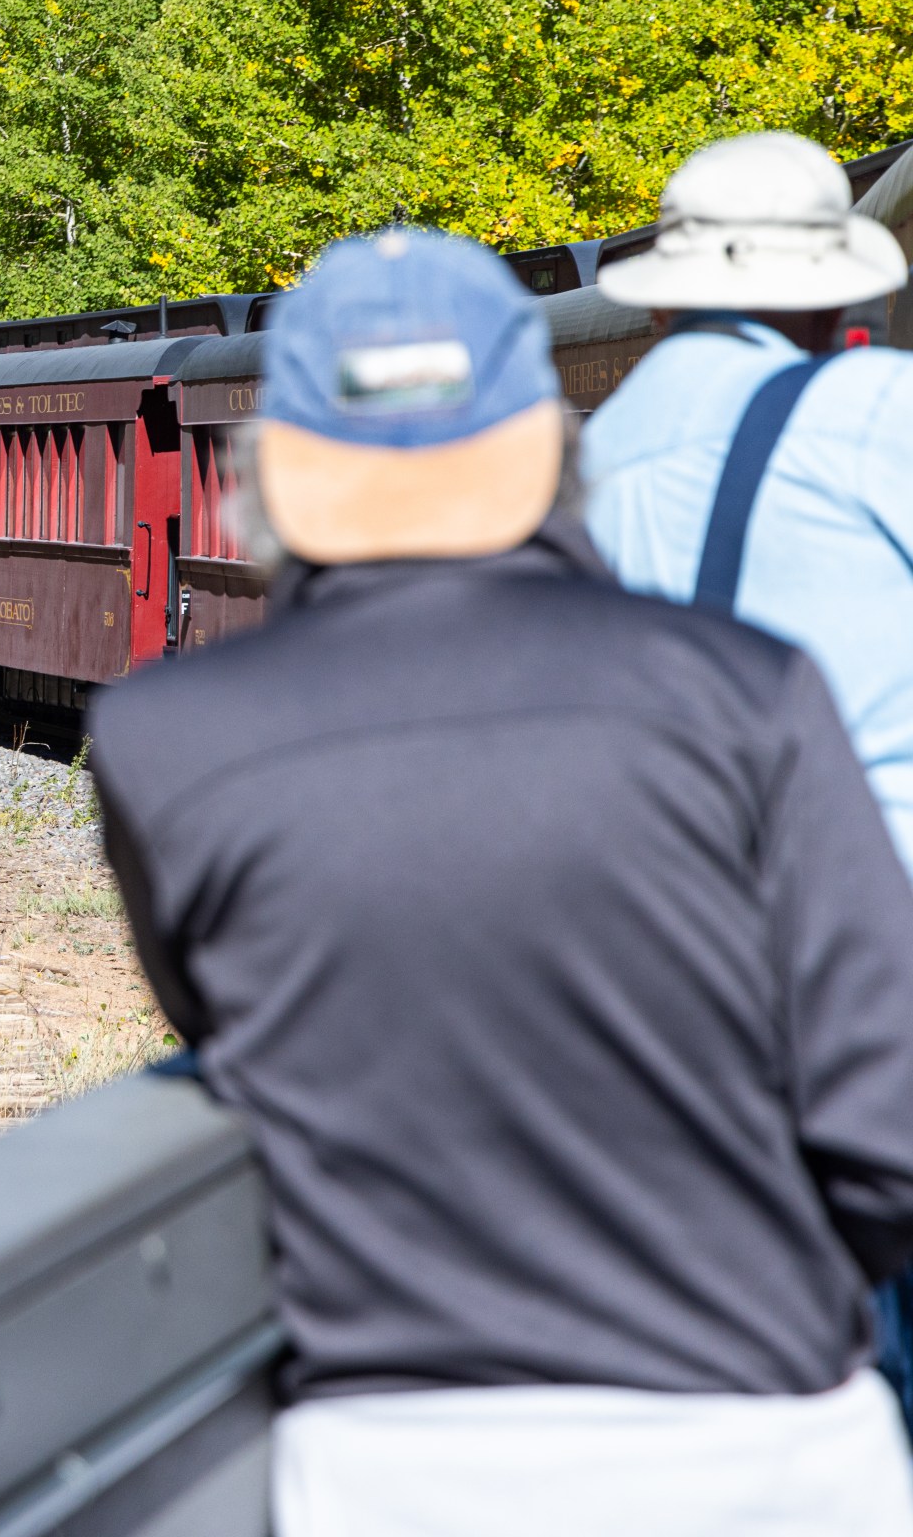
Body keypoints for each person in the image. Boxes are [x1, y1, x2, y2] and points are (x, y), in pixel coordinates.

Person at [87, 228, 913, 1536]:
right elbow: (889, 1127)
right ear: (550, 452)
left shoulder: (161, 743)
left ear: (273, 475)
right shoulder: (751, 694)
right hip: (766, 1444)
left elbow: (220, 1021)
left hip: (395, 1467)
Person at [581, 130, 913, 875]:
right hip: (879, 882)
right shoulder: (880, 407)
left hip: (678, 896)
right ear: (832, 302)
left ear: (660, 304)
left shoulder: (588, 458)